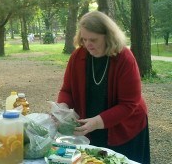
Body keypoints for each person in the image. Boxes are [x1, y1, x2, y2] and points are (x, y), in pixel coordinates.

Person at [57, 11, 150, 164]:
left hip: (124, 127)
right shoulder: (78, 56)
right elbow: (67, 90)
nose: (88, 44)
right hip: (90, 126)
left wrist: (96, 122)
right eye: (84, 39)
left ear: (108, 36)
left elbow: (128, 104)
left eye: (93, 40)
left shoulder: (124, 58)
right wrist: (61, 108)